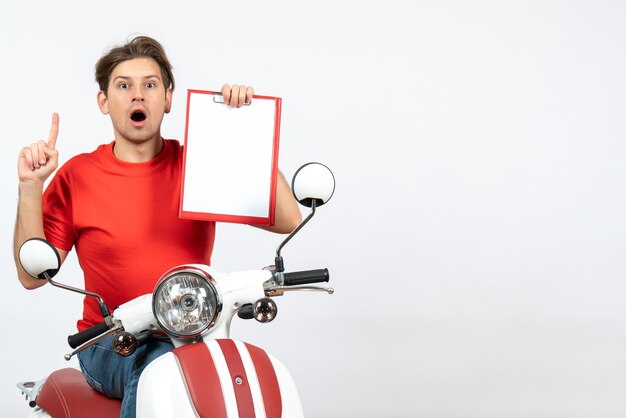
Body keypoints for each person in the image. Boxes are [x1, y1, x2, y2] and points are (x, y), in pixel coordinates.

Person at [13, 35, 302, 417]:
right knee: (158, 363)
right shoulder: (78, 176)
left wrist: (245, 130)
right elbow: (31, 274)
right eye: (123, 85)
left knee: (241, 370)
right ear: (104, 101)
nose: (138, 95)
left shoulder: (197, 167)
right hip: (110, 340)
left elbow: (288, 219)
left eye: (149, 84)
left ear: (167, 98)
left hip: (194, 333)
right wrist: (31, 187)